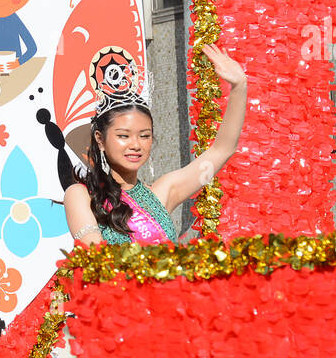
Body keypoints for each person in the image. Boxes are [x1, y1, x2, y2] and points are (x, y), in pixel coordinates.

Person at [63, 43, 247, 245]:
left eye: (144, 135)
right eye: (124, 136)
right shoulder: (82, 195)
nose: (136, 145)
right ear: (100, 139)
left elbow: (223, 149)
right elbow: (95, 259)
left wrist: (239, 87)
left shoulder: (163, 192)